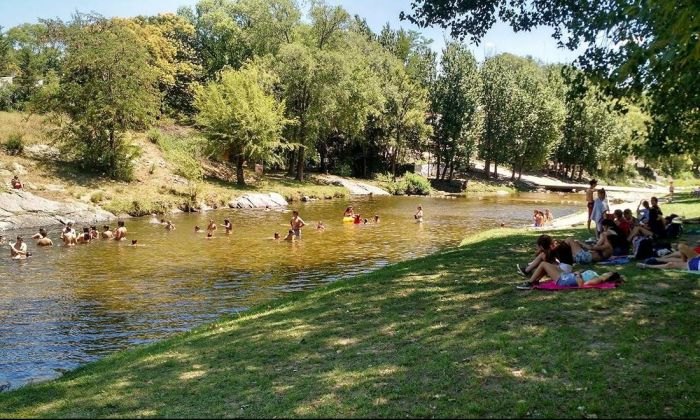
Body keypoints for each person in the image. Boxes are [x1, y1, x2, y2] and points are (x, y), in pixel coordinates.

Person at [517, 263, 622, 290]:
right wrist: (579, 272)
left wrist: (578, 274)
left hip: (564, 280)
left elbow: (582, 285)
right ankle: (534, 281)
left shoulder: (599, 279)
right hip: (567, 276)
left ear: (608, 277)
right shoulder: (596, 275)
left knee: (544, 264)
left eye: (609, 274)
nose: (607, 273)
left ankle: (530, 283)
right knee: (548, 265)